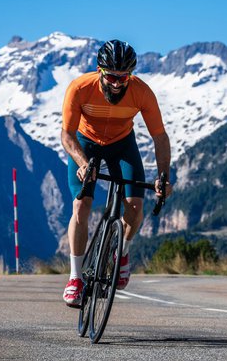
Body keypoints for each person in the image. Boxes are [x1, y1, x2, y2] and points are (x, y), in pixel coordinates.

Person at [60, 39, 172, 307]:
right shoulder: (80, 88)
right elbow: (66, 135)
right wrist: (84, 163)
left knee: (135, 207)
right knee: (81, 206)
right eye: (111, 76)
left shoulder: (142, 92)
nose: (117, 83)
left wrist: (163, 176)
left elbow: (160, 137)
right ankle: (75, 278)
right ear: (100, 71)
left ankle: (121, 252)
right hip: (85, 144)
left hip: (122, 144)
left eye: (124, 77)